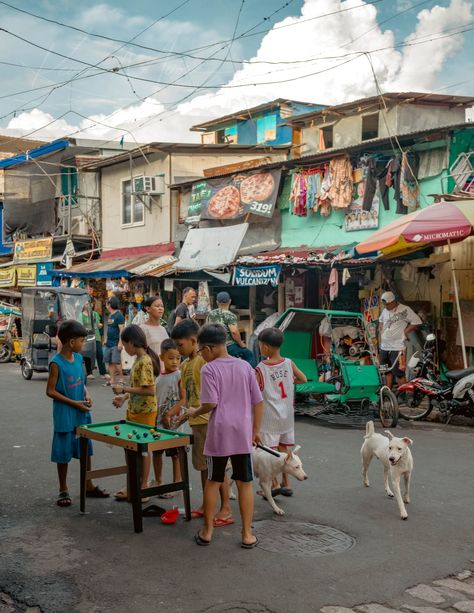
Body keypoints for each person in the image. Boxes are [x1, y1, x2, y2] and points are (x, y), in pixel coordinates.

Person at [181, 323, 263, 548]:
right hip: (242, 433)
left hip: (219, 433)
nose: (201, 356)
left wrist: (193, 411)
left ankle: (207, 532)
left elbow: (210, 403)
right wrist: (255, 431)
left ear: (208, 349)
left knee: (213, 480)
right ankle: (247, 535)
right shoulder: (245, 366)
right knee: (244, 482)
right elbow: (258, 401)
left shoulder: (209, 369)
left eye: (201, 351)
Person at [171, 320, 233, 526]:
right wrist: (183, 414)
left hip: (211, 420)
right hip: (196, 421)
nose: (178, 350)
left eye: (180, 345)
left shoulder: (204, 361)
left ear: (193, 341)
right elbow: (189, 396)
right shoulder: (185, 364)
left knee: (218, 468)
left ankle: (225, 508)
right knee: (203, 467)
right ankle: (208, 505)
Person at [46, 320, 109, 507]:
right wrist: (74, 402)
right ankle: (63, 489)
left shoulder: (80, 360)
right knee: (63, 452)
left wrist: (87, 395)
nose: (83, 344)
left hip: (81, 411)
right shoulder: (56, 363)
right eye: (82, 340)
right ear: (71, 342)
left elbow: (81, 382)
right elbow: (50, 391)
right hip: (65, 413)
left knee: (85, 449)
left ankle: (88, 484)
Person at [256, 327, 307, 496]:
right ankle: (287, 483)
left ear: (265, 347)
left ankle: (275, 484)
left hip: (269, 418)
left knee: (270, 452)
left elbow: (255, 392)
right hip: (286, 415)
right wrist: (289, 382)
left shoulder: (261, 368)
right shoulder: (288, 362)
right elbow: (303, 378)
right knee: (284, 449)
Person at [111, 325, 160, 500]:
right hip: (136, 410)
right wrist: (124, 397)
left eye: (124, 345)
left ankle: (143, 486)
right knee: (133, 448)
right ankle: (133, 483)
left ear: (131, 343)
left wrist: (124, 388)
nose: (124, 349)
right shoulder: (139, 360)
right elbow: (139, 387)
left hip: (145, 412)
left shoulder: (145, 361)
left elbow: (149, 390)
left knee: (143, 450)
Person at [152, 338, 185, 493]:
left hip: (174, 423)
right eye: (171, 358)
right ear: (162, 357)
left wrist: (169, 415)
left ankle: (175, 483)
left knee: (175, 454)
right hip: (159, 422)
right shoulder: (158, 378)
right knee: (156, 452)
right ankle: (158, 481)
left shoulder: (180, 376)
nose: (175, 362)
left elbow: (184, 399)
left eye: (178, 358)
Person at [378, 291, 422, 389]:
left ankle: (404, 395)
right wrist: (381, 335)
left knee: (399, 374)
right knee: (386, 372)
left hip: (397, 347)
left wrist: (405, 332)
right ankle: (388, 393)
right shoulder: (385, 310)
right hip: (384, 347)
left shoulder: (405, 310)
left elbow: (417, 321)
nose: (386, 307)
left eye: (388, 304)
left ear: (393, 301)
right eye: (384, 305)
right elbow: (381, 321)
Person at [207, 291, 256, 368]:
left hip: (213, 345)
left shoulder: (210, 314)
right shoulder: (230, 315)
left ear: (217, 302)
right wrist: (241, 344)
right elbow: (234, 332)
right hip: (228, 346)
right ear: (229, 301)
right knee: (249, 354)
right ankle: (251, 375)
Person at [103, 297, 125, 386]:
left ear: (110, 304)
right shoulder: (110, 315)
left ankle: (122, 378)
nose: (106, 305)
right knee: (110, 362)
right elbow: (110, 329)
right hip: (109, 343)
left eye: (107, 303)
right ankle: (112, 380)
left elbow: (121, 330)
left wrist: (120, 342)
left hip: (116, 343)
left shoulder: (119, 316)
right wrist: (105, 340)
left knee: (116, 362)